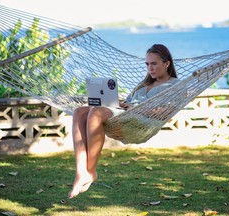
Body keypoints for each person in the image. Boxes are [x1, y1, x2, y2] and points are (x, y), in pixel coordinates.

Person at [68, 44, 179, 198]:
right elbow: (128, 102)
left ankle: (91, 172)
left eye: (154, 63)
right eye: (147, 64)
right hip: (125, 114)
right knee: (79, 112)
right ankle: (81, 172)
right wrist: (118, 103)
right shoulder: (144, 84)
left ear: (166, 64)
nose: (150, 68)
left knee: (95, 112)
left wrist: (135, 107)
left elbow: (166, 112)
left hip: (141, 122)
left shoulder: (175, 85)